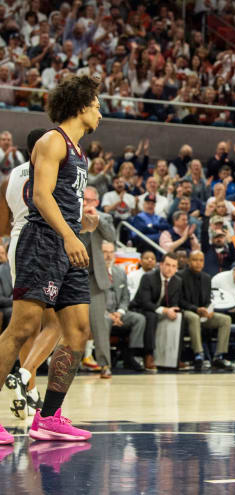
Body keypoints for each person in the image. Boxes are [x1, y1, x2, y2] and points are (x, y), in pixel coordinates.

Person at [0, 75, 102, 444]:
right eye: (97, 105)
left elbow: (62, 199)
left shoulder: (78, 150)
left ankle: (48, 417)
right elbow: (41, 197)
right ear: (81, 106)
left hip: (66, 243)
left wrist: (80, 225)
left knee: (76, 332)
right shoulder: (51, 141)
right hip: (42, 241)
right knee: (23, 327)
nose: (100, 113)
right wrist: (70, 234)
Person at [0, 128, 61, 418]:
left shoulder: (10, 176)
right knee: (54, 322)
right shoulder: (56, 171)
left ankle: (28, 391)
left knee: (27, 326)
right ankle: (26, 375)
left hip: (16, 245)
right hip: (43, 245)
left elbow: (3, 226)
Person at [81, 185, 118, 378]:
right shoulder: (69, 214)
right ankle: (65, 364)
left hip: (95, 278)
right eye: (83, 199)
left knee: (100, 324)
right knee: (70, 326)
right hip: (72, 278)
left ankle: (105, 365)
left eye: (89, 200)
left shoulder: (104, 217)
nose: (86, 203)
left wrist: (96, 217)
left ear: (96, 202)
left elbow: (112, 237)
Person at [97, 241, 146, 377]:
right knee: (104, 321)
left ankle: (132, 356)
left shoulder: (120, 272)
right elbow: (92, 299)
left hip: (118, 312)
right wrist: (108, 314)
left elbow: (126, 297)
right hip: (101, 313)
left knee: (139, 319)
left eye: (111, 252)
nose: (108, 255)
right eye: (105, 252)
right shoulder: (93, 273)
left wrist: (120, 312)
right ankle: (104, 363)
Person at [179, 251, 234, 371]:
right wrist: (196, 309)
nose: (198, 263)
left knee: (225, 320)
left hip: (202, 313)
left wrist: (209, 309)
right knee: (194, 317)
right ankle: (199, 355)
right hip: (186, 312)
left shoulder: (206, 277)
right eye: (195, 260)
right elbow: (179, 300)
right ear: (189, 261)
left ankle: (218, 357)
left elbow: (208, 300)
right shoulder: (180, 276)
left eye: (201, 260)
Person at [129, 252, 182, 373]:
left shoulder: (177, 281)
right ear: (161, 265)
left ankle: (174, 357)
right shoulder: (148, 277)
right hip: (141, 309)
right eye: (168, 265)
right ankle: (149, 354)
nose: (170, 269)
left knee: (178, 316)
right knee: (151, 316)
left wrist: (172, 310)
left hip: (160, 310)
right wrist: (164, 310)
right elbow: (145, 302)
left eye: (174, 266)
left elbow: (173, 303)